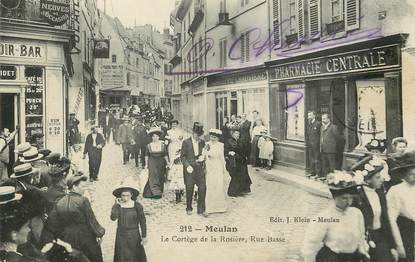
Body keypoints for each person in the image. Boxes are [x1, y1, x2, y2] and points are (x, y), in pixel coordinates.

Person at [301, 171, 370, 262]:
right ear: (335, 197)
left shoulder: (356, 213)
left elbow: (361, 237)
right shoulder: (324, 217)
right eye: (344, 198)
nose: (348, 202)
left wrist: (363, 250)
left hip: (353, 258)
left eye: (351, 198)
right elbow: (311, 245)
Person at [48, 173, 105, 262]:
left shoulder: (59, 202)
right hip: (85, 236)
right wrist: (99, 233)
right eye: (82, 187)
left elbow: (53, 223)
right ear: (74, 187)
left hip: (68, 238)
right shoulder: (82, 200)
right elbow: (91, 219)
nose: (84, 189)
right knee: (93, 258)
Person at [351, 156, 398, 262]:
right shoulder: (357, 196)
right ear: (367, 180)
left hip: (380, 237)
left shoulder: (380, 193)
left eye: (381, 176)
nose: (382, 179)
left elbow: (385, 221)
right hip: (363, 240)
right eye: (377, 177)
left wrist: (392, 246)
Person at [387, 150, 415, 262]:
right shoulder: (396, 191)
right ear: (404, 174)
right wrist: (399, 245)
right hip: (405, 230)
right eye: (412, 174)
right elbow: (391, 220)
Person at [111, 181, 147, 262]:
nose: (125, 198)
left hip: (134, 234)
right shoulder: (118, 206)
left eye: (127, 195)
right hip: (121, 235)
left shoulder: (137, 206)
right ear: (120, 196)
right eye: (123, 195)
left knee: (134, 256)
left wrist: (144, 236)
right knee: (122, 256)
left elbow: (142, 221)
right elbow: (113, 218)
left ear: (131, 195)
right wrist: (116, 206)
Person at [180, 122, 207, 216]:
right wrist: (187, 166)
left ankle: (201, 209)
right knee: (189, 188)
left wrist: (203, 158)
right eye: (196, 134)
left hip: (199, 168)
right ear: (193, 133)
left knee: (203, 188)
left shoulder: (202, 142)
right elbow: (182, 157)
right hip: (190, 169)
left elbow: (203, 154)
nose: (198, 137)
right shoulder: (186, 142)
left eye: (200, 135)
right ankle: (189, 207)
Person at [202, 129, 228, 215]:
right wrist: (206, 154)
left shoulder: (221, 145)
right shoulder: (207, 144)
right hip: (210, 166)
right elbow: (203, 154)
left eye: (215, 137)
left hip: (217, 166)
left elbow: (222, 157)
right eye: (212, 137)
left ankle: (220, 207)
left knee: (218, 185)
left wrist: (224, 169)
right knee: (210, 185)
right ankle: (209, 208)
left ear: (218, 138)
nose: (213, 139)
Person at [143, 127, 169, 199]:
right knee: (153, 176)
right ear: (151, 137)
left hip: (161, 162)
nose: (155, 138)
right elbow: (146, 155)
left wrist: (168, 163)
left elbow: (165, 154)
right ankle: (155, 192)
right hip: (152, 162)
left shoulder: (163, 145)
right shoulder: (149, 145)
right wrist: (146, 164)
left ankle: (159, 190)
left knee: (160, 176)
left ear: (159, 137)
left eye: (156, 136)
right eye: (153, 136)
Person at [225, 129, 252, 197]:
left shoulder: (240, 141)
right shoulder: (229, 141)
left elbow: (244, 150)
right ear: (232, 134)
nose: (237, 135)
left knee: (242, 175)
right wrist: (229, 153)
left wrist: (246, 156)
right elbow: (225, 151)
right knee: (235, 176)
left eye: (238, 134)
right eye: (236, 134)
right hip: (233, 162)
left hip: (241, 161)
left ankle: (240, 190)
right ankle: (232, 192)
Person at [320, 114, 342, 179]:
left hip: (331, 150)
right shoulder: (322, 127)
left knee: (332, 165)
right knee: (325, 164)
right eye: (322, 119)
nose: (323, 120)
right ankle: (327, 177)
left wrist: (333, 146)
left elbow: (338, 138)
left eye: (324, 118)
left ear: (328, 119)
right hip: (323, 149)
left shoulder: (333, 127)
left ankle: (334, 179)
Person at [306, 111, 322, 178]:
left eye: (310, 115)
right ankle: (312, 172)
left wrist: (319, 144)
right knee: (311, 159)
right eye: (308, 116)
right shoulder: (309, 124)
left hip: (317, 146)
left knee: (317, 159)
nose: (308, 117)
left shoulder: (318, 124)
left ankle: (318, 173)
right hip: (310, 145)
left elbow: (320, 135)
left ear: (314, 116)